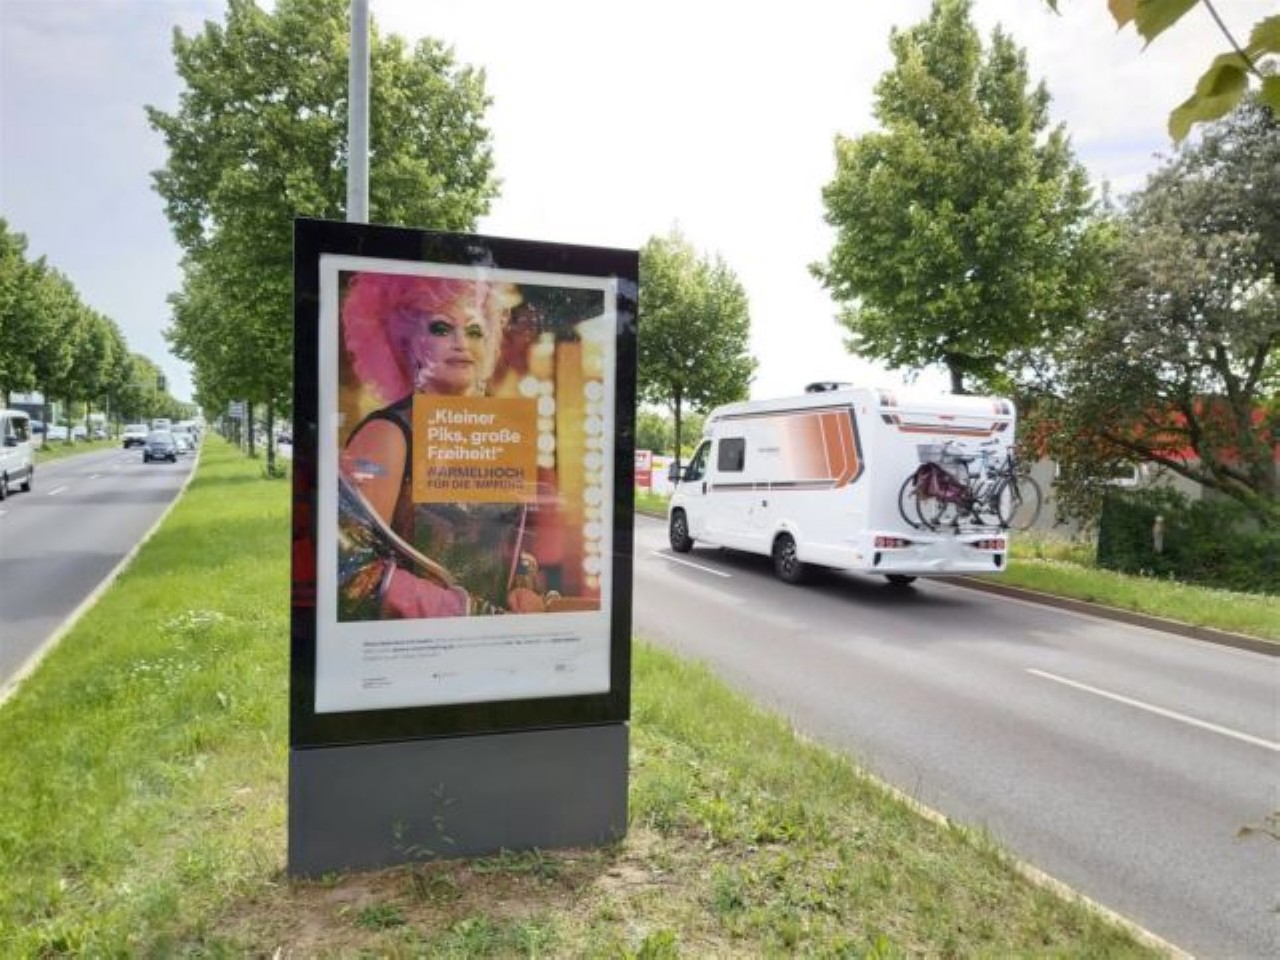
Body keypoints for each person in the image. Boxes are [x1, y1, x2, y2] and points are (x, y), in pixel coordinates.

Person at [337, 272, 548, 619]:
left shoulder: (499, 432)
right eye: (441, 328)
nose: (461, 342)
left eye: (475, 330)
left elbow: (502, 542)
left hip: (496, 643)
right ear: (408, 342)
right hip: (418, 646)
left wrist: (523, 586)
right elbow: (352, 575)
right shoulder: (388, 435)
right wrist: (470, 613)